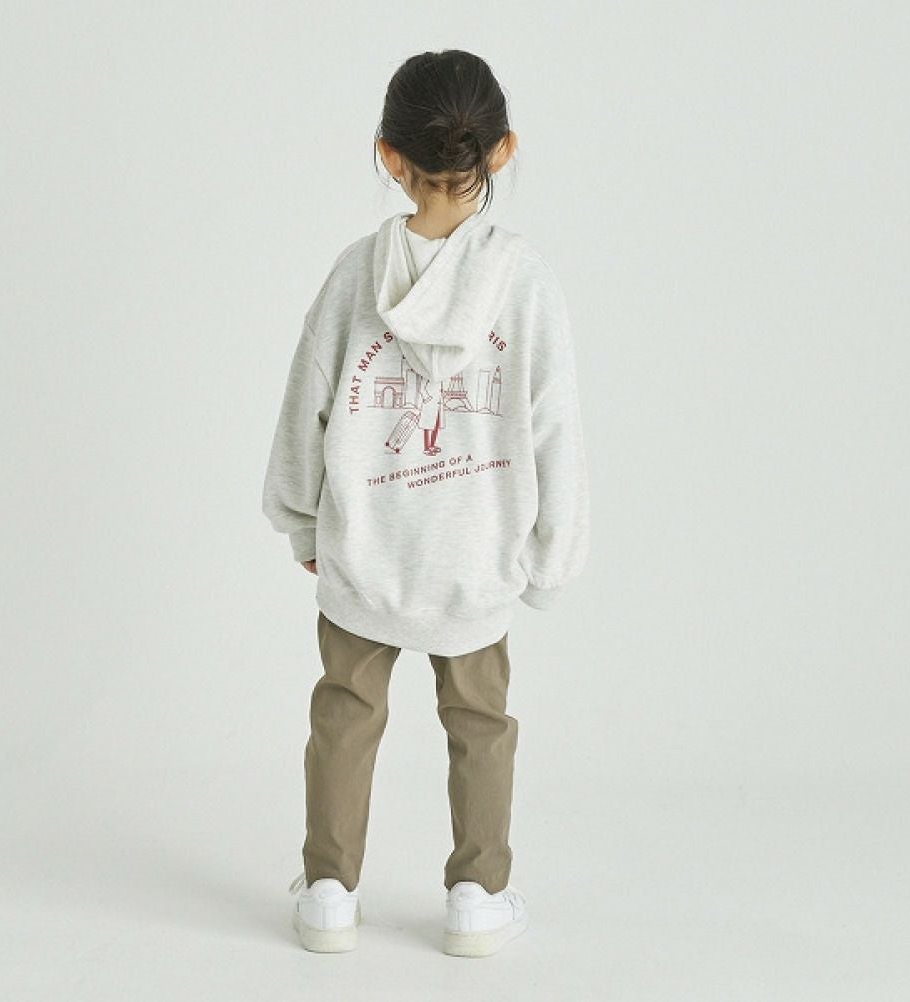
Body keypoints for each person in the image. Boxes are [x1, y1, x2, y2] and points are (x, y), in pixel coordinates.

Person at [262, 48, 591, 957]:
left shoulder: (353, 276)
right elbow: (555, 426)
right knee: (480, 726)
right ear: (503, 149)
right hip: (476, 554)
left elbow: (306, 403)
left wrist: (301, 518)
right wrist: (551, 556)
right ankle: (478, 898)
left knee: (344, 715)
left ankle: (329, 890)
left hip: (364, 546)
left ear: (389, 156)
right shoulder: (525, 283)